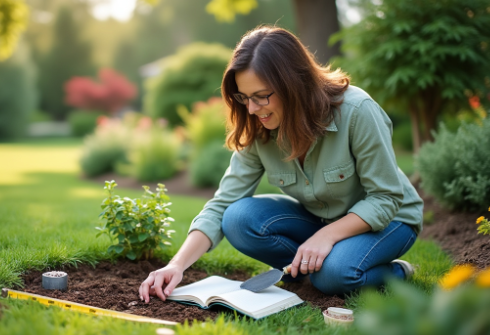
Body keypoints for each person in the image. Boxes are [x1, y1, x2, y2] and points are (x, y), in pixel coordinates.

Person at [139, 26, 423, 303]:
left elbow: (385, 198)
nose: (251, 109)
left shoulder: (357, 111)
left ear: (293, 84)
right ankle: (309, 266)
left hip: (391, 219)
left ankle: (397, 272)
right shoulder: (258, 126)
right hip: (323, 218)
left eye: (261, 96)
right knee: (238, 218)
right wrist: (176, 265)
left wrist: (327, 236)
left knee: (333, 275)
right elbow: (224, 203)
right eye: (244, 97)